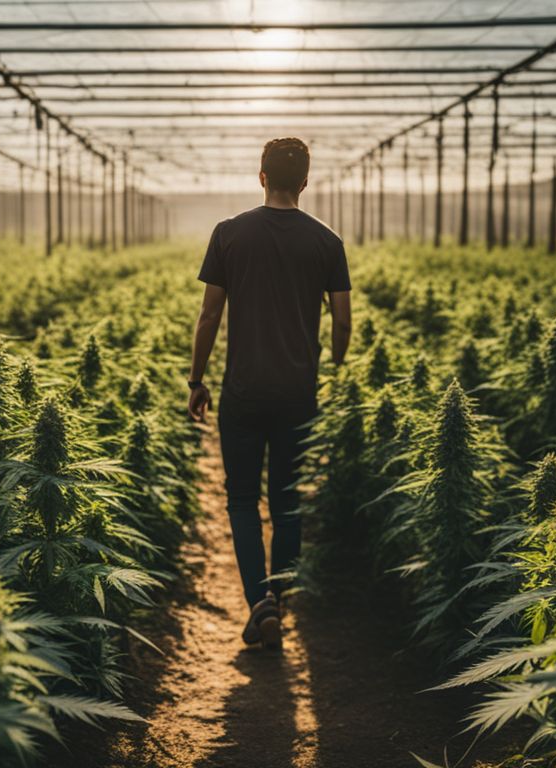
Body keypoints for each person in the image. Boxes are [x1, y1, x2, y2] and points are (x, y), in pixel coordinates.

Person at [186, 137, 352, 652]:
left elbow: (210, 314)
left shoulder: (229, 234)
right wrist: (335, 363)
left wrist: (197, 379)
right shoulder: (328, 242)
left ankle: (258, 601)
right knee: (287, 503)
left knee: (241, 499)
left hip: (242, 392)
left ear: (260, 177)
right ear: (305, 182)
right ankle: (280, 596)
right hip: (298, 394)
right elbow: (343, 320)